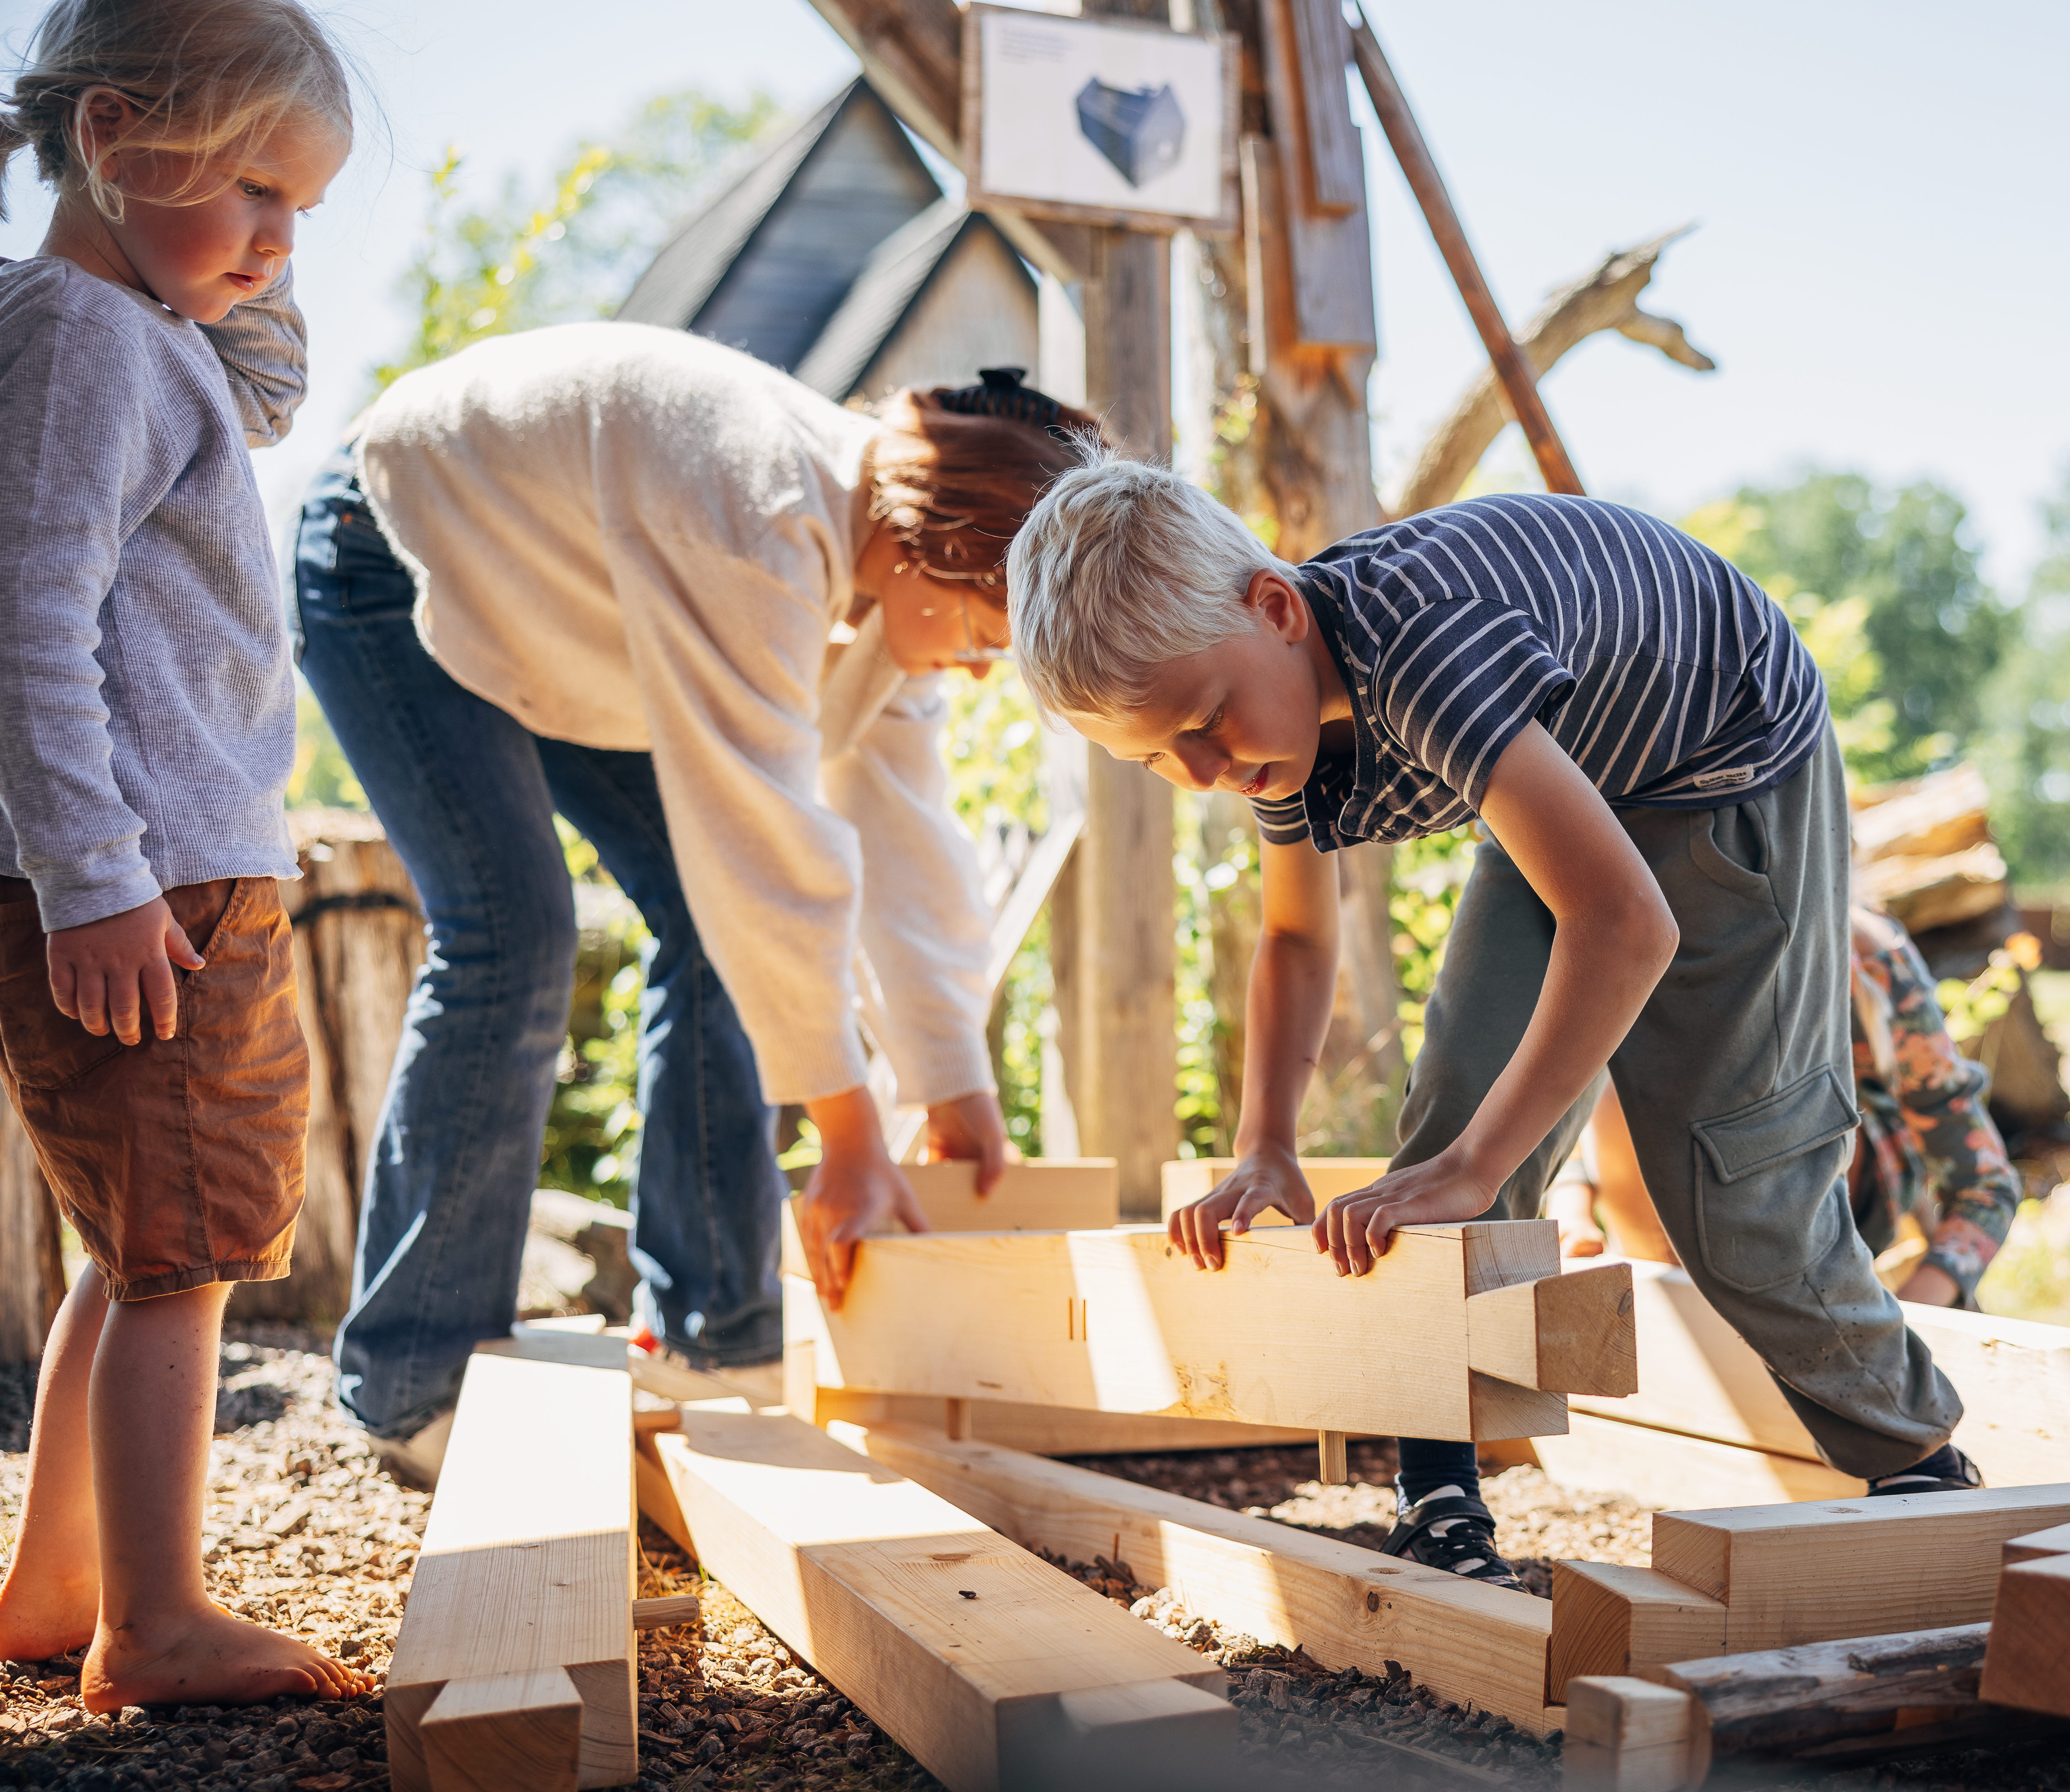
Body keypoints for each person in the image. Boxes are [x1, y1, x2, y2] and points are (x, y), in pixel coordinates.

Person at [1007, 454, 1984, 1593]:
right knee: (1445, 1132)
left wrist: (1484, 1166)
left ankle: (1916, 1460)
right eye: (1153, 758)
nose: (1203, 771)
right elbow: (1297, 940)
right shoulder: (1265, 722)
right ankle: (1437, 1490)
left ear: (1274, 607)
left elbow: (1626, 925)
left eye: (1206, 724)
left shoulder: (1427, 652)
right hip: (1574, 766)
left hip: (1725, 765)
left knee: (1732, 1183)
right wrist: (1265, 1145)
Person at [296, 345, 1097, 1481]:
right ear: (936, 553)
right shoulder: (760, 517)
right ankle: (413, 1381)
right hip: (399, 544)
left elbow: (907, 849)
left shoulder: (887, 580)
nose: (976, 670)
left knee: (713, 927)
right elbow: (761, 854)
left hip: (573, 609)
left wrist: (954, 1089)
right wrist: (850, 1138)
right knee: (512, 932)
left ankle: (709, 1338)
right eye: (983, 635)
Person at [0, 0, 367, 1709]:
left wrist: (230, 251)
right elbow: (28, 620)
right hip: (153, 875)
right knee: (187, 1253)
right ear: (108, 138)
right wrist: (95, 876)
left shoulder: (133, 325)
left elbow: (267, 390)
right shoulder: (88, 338)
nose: (281, 240)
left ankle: (58, 1585)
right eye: (253, 186)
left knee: (139, 1238)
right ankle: (152, 1623)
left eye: (306, 204)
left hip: (156, 864)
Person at [1550, 906, 2021, 1311]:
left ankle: (1801, 1314)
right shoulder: (1648, 929)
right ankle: (1686, 1319)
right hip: (1679, 1225)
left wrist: (1910, 1315)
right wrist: (1572, 1218)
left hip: (1841, 1194)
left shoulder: (1866, 959)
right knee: (1620, 1097)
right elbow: (1579, 1123)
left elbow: (1986, 1185)